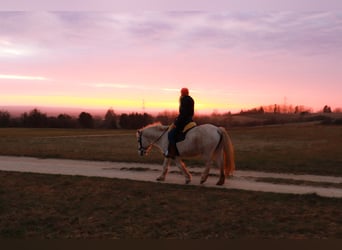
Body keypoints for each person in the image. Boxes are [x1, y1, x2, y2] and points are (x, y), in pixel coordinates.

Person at [165, 87, 195, 158]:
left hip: (184, 121)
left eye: (181, 92)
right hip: (190, 120)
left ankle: (172, 152)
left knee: (171, 134)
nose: (180, 94)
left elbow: (183, 114)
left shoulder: (184, 100)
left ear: (183, 93)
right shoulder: (191, 99)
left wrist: (176, 122)